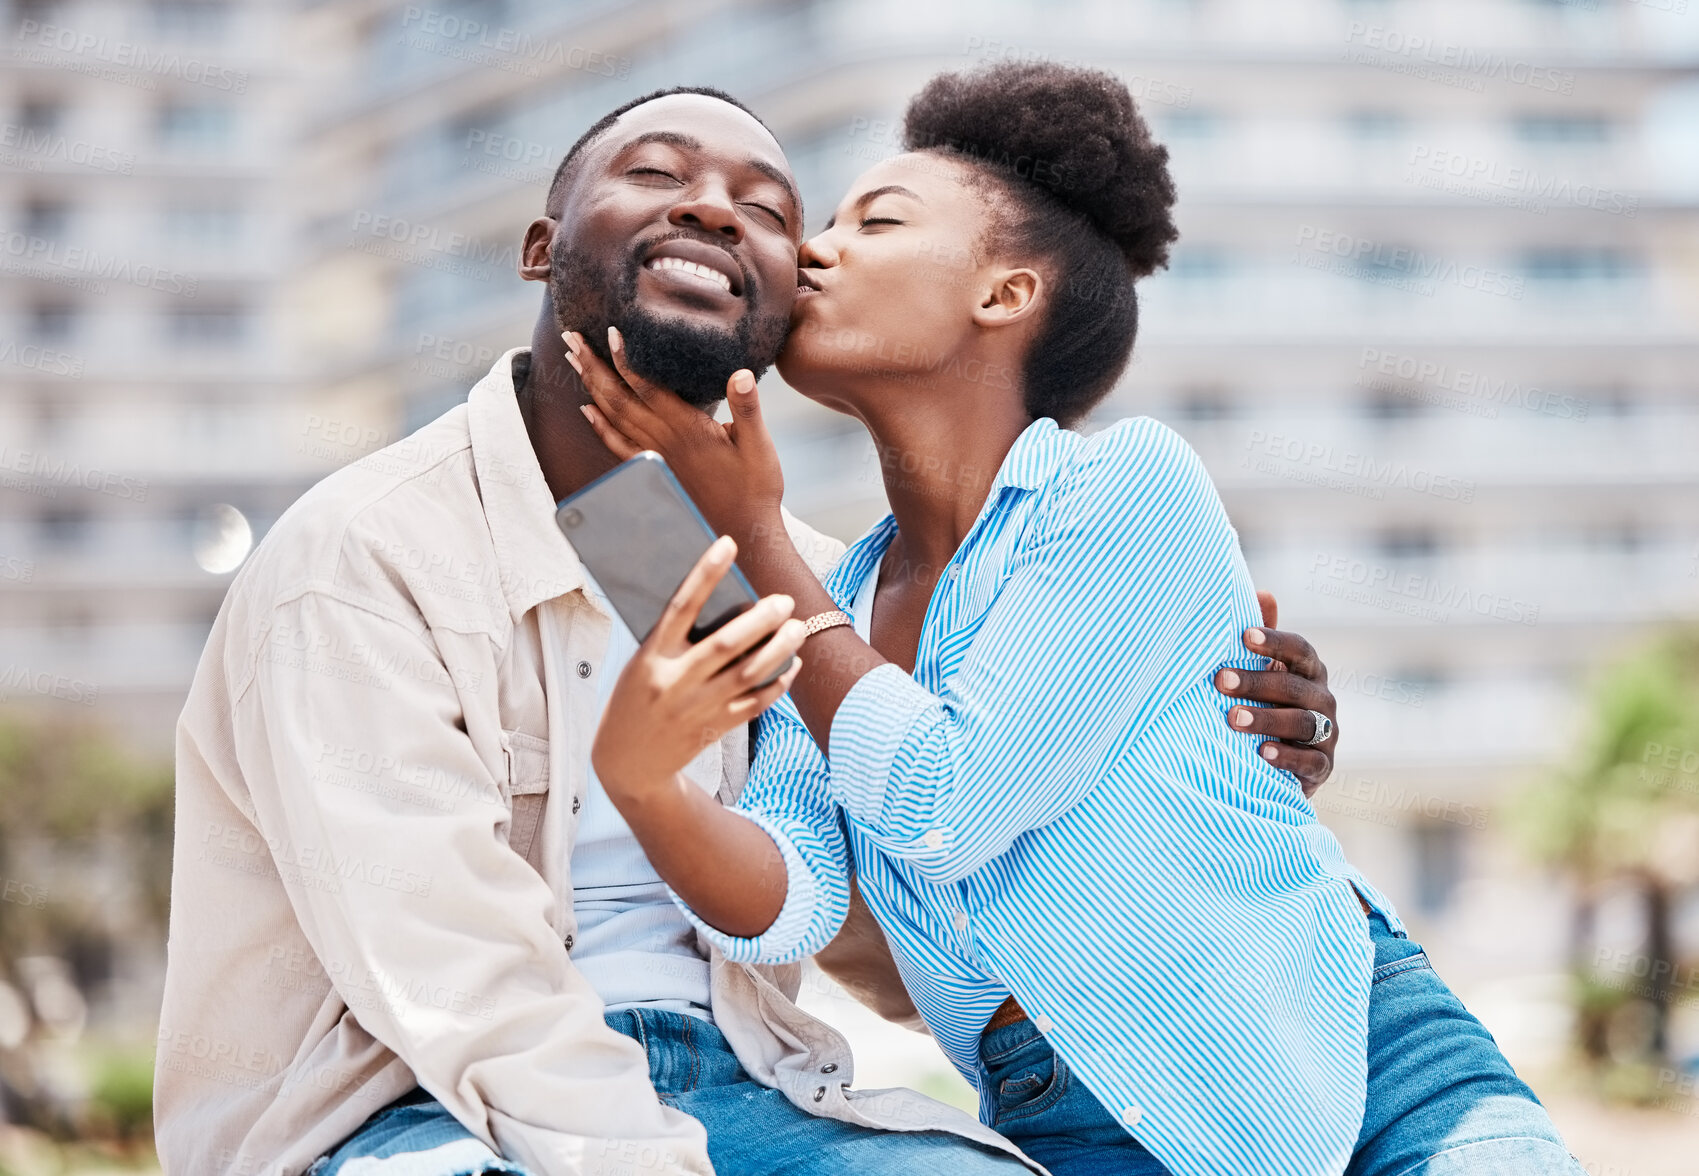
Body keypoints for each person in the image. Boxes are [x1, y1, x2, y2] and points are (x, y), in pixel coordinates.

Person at [155, 85, 1341, 1176]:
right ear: (540, 246)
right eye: (656, 173)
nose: (715, 210)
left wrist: (1204, 734)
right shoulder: (363, 559)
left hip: (753, 1087)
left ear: (780, 309)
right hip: (412, 1115)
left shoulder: (802, 599)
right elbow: (454, 982)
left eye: (770, 211)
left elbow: (917, 897)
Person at [571, 64, 1586, 1176]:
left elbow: (940, 804)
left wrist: (755, 534)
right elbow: (789, 899)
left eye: (874, 222)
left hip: (1349, 1057)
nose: (811, 249)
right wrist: (648, 787)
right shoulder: (817, 590)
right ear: (544, 243)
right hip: (1069, 1114)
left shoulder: (1120, 486)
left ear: (1002, 295)